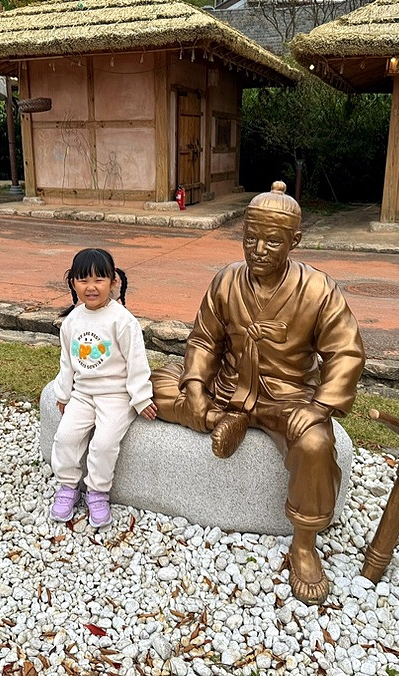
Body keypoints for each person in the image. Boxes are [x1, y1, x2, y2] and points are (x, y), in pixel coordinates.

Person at [151, 181, 365, 604]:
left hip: (285, 398)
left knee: (316, 445)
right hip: (228, 388)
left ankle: (304, 544)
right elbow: (204, 340)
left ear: (294, 242)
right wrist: (195, 386)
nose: (259, 250)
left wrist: (320, 406)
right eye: (251, 239)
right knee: (153, 386)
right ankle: (218, 418)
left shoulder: (318, 290)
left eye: (272, 241)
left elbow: (345, 351)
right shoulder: (227, 280)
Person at [50, 248, 158, 527]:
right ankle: (68, 486)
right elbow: (67, 362)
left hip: (116, 395)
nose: (91, 287)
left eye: (99, 279)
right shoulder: (72, 322)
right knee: (65, 437)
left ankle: (97, 492)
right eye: (83, 280)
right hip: (83, 394)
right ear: (72, 283)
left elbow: (136, 361)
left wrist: (141, 398)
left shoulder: (122, 320)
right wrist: (63, 394)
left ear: (113, 281)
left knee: (103, 443)